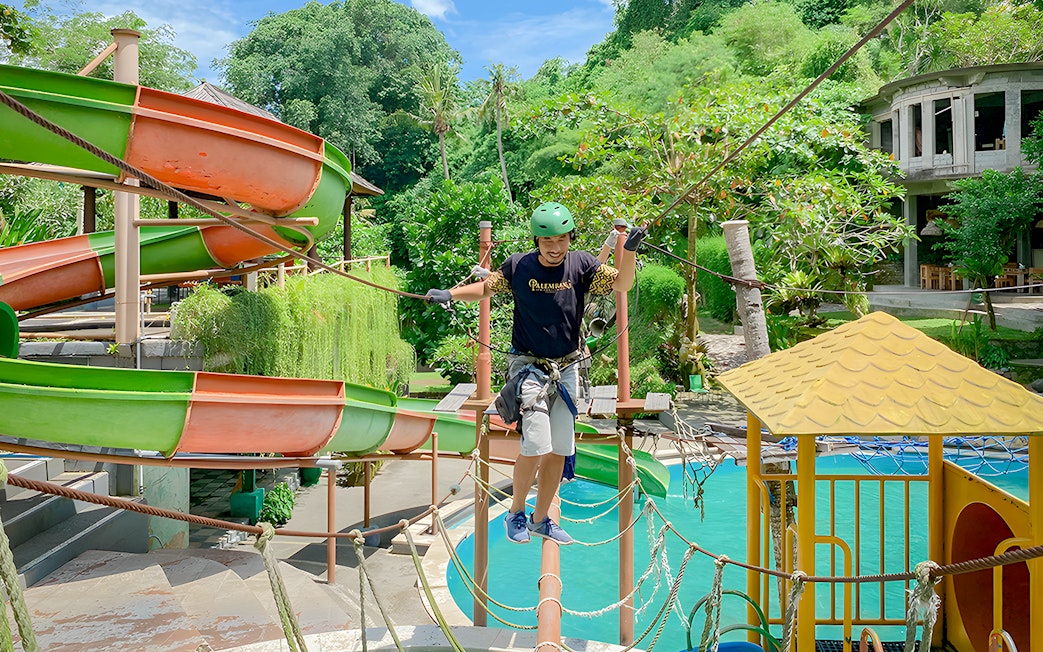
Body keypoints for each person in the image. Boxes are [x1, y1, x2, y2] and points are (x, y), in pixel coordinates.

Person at [426, 202, 644, 545]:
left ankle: (540, 519)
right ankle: (515, 512)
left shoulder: (582, 265)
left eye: (561, 240)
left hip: (567, 367)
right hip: (528, 367)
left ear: (570, 238)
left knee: (560, 448)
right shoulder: (519, 265)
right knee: (536, 443)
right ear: (536, 241)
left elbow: (622, 283)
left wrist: (628, 250)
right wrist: (449, 294)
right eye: (547, 242)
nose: (555, 248)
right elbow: (486, 288)